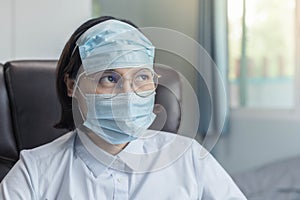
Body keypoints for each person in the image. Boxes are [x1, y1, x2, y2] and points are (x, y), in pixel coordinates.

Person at [0, 16, 246, 199]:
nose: (128, 94)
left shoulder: (189, 158)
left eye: (141, 77)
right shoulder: (34, 172)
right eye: (109, 78)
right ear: (72, 85)